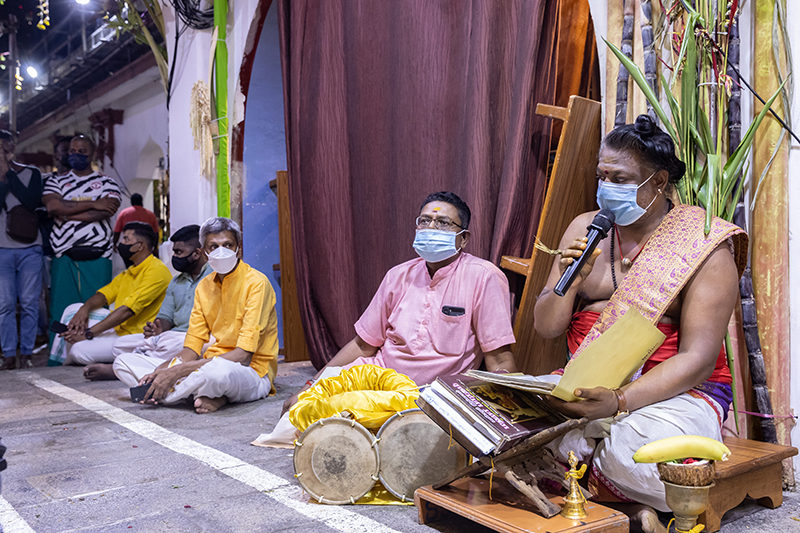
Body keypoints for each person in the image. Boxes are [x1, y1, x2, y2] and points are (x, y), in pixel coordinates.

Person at [533, 115, 746, 533]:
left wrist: (618, 401)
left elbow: (699, 359)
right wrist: (569, 281)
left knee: (628, 451)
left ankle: (597, 493)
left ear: (658, 181)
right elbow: (547, 327)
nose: (606, 187)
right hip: (584, 380)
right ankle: (629, 511)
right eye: (602, 175)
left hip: (676, 392)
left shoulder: (704, 245)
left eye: (620, 177)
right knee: (498, 424)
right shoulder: (585, 227)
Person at [283, 191, 518, 412]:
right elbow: (362, 344)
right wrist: (311, 384)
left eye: (443, 222)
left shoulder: (484, 276)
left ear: (463, 238)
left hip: (434, 395)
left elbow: (498, 358)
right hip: (378, 379)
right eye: (424, 221)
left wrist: (511, 413)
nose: (431, 227)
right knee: (302, 411)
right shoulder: (398, 275)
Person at [134, 217, 279, 414]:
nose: (222, 251)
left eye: (228, 245)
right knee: (125, 364)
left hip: (250, 373)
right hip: (205, 367)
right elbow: (191, 348)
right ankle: (188, 391)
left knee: (217, 373)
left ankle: (171, 393)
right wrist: (164, 369)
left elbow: (243, 356)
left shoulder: (257, 284)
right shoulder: (204, 286)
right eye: (214, 246)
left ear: (239, 249)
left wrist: (177, 372)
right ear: (204, 252)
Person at [50, 222, 172, 375]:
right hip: (119, 329)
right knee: (72, 310)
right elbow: (103, 295)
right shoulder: (131, 271)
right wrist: (84, 309)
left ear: (139, 245)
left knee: (78, 351)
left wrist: (88, 333)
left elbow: (126, 311)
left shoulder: (157, 271)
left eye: (126, 240)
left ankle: (68, 361)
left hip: (137, 336)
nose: (121, 244)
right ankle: (62, 360)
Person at [43, 135, 121, 363]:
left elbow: (107, 210)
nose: (76, 154)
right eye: (73, 150)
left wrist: (67, 212)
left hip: (99, 254)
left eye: (82, 151)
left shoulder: (107, 183)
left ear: (93, 154)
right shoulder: (54, 181)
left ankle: (93, 354)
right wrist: (93, 203)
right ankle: (57, 358)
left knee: (96, 309)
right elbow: (53, 205)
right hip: (64, 254)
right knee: (60, 310)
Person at [112, 224, 212, 384]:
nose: (174, 256)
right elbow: (165, 318)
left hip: (195, 338)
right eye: (174, 252)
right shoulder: (175, 282)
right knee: (119, 345)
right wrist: (158, 328)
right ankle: (160, 365)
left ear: (197, 253)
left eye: (179, 252)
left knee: (182, 344)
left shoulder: (214, 277)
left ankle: (144, 365)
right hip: (170, 337)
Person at [0, 130, 44, 371]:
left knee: (29, 303)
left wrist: (9, 174)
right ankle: (8, 354)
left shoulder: (32, 173)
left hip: (30, 248)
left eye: (4, 150)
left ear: (11, 149)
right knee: (4, 304)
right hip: (1, 250)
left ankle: (26, 353)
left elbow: (31, 201)